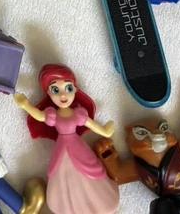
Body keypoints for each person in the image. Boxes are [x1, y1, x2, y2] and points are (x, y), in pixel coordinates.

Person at [14, 63, 119, 214]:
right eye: (55, 90)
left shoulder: (78, 113)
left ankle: (97, 204)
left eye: (68, 88)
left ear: (75, 89)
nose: (63, 95)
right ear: (48, 93)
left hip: (79, 149)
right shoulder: (52, 114)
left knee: (89, 173)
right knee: (62, 178)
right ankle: (69, 207)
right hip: (61, 150)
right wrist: (25, 105)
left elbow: (92, 124)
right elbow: (39, 115)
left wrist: (105, 131)